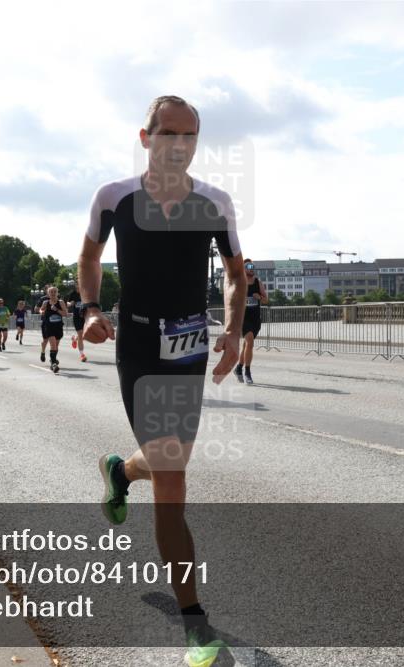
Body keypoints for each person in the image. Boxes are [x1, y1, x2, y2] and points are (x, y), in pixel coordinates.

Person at [79, 95, 246, 666]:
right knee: (172, 474)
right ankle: (195, 620)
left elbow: (234, 274)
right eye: (168, 132)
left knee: (169, 461)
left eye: (190, 135)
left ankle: (120, 470)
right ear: (145, 135)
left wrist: (231, 328)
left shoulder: (215, 202)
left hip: (190, 345)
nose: (179, 144)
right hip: (139, 343)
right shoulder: (114, 197)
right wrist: (91, 308)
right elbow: (90, 257)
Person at [235, 258, 267, 384]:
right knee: (250, 342)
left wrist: (259, 297)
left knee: (246, 345)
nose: (251, 269)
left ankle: (238, 368)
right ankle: (247, 372)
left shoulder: (258, 282)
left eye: (252, 267)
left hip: (255, 319)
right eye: (248, 267)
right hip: (243, 318)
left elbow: (266, 300)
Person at [40, 286, 67, 373]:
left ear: (57, 293)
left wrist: (57, 310)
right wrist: (42, 312)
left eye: (54, 292)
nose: (53, 293)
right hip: (49, 326)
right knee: (53, 345)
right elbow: (41, 310)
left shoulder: (61, 302)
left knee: (56, 346)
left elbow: (65, 314)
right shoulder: (45, 302)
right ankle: (54, 364)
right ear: (48, 294)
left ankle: (53, 360)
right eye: (51, 292)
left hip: (58, 326)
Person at [66, 286, 88, 362]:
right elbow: (68, 303)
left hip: (85, 316)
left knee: (83, 334)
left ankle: (75, 339)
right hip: (77, 317)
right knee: (81, 334)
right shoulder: (73, 294)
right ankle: (82, 355)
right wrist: (70, 303)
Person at [36, 284, 52, 362]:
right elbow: (36, 308)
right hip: (46, 321)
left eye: (52, 289)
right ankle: (43, 352)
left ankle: (53, 357)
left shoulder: (57, 298)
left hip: (56, 322)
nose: (51, 291)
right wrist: (41, 311)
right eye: (49, 289)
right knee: (46, 340)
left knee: (55, 340)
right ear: (46, 291)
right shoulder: (43, 299)